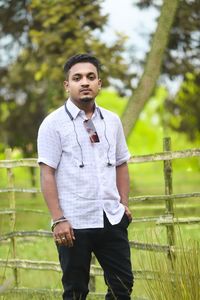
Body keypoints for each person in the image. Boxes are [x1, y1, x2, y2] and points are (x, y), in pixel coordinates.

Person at [37, 53, 134, 300]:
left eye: (91, 77)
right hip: (73, 223)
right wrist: (58, 219)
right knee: (76, 291)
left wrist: (123, 204)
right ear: (67, 85)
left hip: (111, 218)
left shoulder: (112, 121)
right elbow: (47, 174)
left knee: (123, 286)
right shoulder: (52, 124)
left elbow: (121, 163)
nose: (85, 82)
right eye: (77, 77)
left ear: (99, 84)